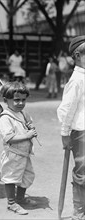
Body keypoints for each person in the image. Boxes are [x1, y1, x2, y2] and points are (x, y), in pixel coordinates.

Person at [0, 82, 38, 215]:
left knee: (26, 176)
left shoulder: (23, 113)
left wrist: (31, 128)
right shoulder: (5, 118)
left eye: (23, 100)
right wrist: (27, 135)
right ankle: (11, 203)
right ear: (6, 100)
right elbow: (8, 138)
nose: (20, 103)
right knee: (11, 177)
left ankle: (20, 198)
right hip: (13, 154)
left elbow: (28, 124)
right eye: (16, 100)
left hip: (24, 153)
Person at [57, 35, 85, 220]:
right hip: (81, 132)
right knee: (83, 172)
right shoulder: (76, 80)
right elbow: (66, 110)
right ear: (78, 55)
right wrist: (65, 133)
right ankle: (79, 211)